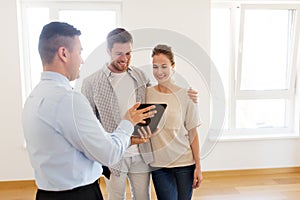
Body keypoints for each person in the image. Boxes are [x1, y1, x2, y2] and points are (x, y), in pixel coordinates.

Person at [22, 21, 155, 200]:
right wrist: (128, 121)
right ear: (64, 53)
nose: (82, 60)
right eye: (79, 52)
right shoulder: (69, 99)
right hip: (79, 194)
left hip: (47, 193)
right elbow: (109, 153)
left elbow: (82, 140)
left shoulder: (34, 97)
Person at [81, 28, 199, 200]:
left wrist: (189, 94)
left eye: (128, 53)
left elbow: (162, 91)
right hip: (114, 157)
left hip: (141, 154)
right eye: (118, 53)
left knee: (143, 197)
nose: (124, 58)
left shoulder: (140, 76)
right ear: (108, 51)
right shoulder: (91, 83)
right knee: (116, 197)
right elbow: (89, 125)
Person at [147, 44, 203, 200]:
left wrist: (198, 166)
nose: (159, 71)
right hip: (159, 165)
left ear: (173, 66)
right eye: (155, 67)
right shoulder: (146, 94)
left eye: (164, 66)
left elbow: (193, 132)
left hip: (185, 163)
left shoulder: (187, 95)